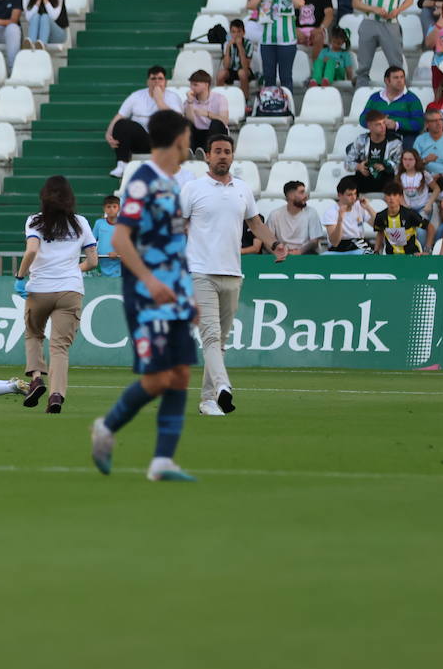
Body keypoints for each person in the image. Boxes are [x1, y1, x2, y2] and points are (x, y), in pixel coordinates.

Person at [89, 110, 197, 482]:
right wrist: (150, 282)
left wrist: (188, 294)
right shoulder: (141, 182)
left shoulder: (172, 184)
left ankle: (162, 461)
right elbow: (120, 239)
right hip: (147, 296)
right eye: (188, 136)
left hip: (175, 294)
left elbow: (174, 246)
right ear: (178, 139)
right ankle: (107, 426)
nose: (190, 144)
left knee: (181, 374)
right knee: (158, 378)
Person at [181, 134, 286, 417]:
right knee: (211, 337)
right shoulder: (193, 188)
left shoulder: (242, 189)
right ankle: (224, 387)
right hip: (201, 272)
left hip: (232, 273)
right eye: (217, 151)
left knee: (220, 342)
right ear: (207, 156)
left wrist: (274, 244)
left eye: (227, 151)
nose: (223, 156)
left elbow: (254, 223)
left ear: (233, 155)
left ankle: (207, 400)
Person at [13, 175, 97, 414]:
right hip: (70, 290)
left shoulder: (35, 221)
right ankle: (56, 394)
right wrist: (73, 269)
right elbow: (92, 261)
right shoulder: (80, 222)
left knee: (33, 334)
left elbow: (31, 251)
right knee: (60, 347)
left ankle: (37, 378)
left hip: (40, 288)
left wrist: (20, 277)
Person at [105, 65, 184, 178]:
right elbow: (119, 115)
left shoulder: (173, 97)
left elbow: (177, 121)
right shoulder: (136, 96)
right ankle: (122, 164)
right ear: (148, 82)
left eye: (160, 79)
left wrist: (159, 101)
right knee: (122, 123)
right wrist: (108, 133)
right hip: (142, 140)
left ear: (165, 82)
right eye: (153, 79)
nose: (157, 82)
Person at [249, 0, 305, 90]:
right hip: (267, 42)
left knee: (285, 76)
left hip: (287, 42)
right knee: (269, 77)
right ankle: (270, 105)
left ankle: (288, 105)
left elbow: (300, 4)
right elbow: (250, 6)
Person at [362, 66, 425, 146]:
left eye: (402, 77)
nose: (400, 80)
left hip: (404, 135)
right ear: (387, 80)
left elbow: (419, 123)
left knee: (407, 148)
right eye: (396, 78)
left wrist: (396, 124)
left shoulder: (412, 99)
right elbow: (363, 118)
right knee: (351, 148)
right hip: (378, 134)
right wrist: (378, 123)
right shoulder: (375, 98)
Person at [346, 109, 404, 192]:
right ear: (369, 126)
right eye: (378, 124)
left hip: (386, 178)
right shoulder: (361, 140)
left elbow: (400, 164)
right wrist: (359, 167)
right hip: (365, 177)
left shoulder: (395, 142)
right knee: (345, 183)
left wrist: (385, 166)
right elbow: (347, 162)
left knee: (396, 185)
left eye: (384, 123)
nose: (383, 127)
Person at [267, 179, 327, 254]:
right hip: (281, 254)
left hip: (306, 254)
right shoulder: (275, 214)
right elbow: (268, 240)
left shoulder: (312, 212)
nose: (306, 196)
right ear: (290, 196)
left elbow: (314, 241)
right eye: (302, 192)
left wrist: (299, 251)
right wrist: (278, 252)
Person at [323, 175, 377, 252]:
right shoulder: (331, 212)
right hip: (339, 246)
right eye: (349, 195)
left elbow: (378, 224)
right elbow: (335, 242)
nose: (354, 197)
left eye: (355, 194)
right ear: (339, 195)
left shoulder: (359, 206)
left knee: (372, 256)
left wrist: (368, 207)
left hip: (358, 242)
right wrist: (340, 219)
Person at [183, 69, 229, 154]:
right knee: (186, 123)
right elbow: (190, 120)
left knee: (216, 123)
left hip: (216, 133)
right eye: (191, 85)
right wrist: (190, 103)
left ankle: (208, 153)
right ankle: (189, 152)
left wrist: (208, 114)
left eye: (195, 85)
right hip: (199, 133)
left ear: (206, 85)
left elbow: (225, 121)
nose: (192, 88)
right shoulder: (188, 101)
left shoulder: (220, 99)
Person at [217, 18, 254, 104]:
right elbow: (226, 66)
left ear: (243, 32)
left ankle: (245, 100)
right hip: (231, 70)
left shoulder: (248, 44)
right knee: (221, 74)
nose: (236, 35)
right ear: (230, 33)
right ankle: (218, 99)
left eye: (239, 32)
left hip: (245, 70)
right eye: (233, 32)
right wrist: (228, 48)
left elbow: (246, 66)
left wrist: (240, 47)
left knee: (242, 72)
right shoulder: (227, 44)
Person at [414, 106, 443, 174]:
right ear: (427, 124)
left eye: (440, 120)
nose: (438, 123)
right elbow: (412, 163)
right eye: (434, 121)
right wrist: (425, 160)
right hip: (425, 176)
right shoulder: (420, 140)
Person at [92, 194, 121, 275]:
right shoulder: (99, 223)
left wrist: (118, 253)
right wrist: (93, 253)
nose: (111, 209)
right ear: (104, 208)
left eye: (114, 207)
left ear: (119, 208)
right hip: (101, 263)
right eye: (108, 207)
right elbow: (91, 242)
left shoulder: (123, 225)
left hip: (118, 264)